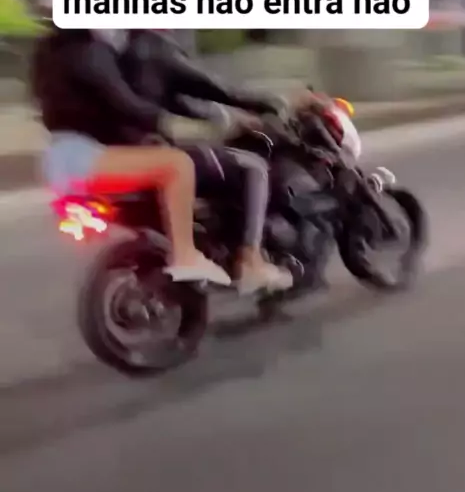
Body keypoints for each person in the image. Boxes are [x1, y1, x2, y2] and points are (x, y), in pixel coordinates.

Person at [120, 30, 319, 294]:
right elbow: (212, 86)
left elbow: (176, 101)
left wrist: (226, 119)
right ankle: (251, 261)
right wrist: (269, 102)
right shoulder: (155, 49)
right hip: (158, 152)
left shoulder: (128, 53)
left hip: (126, 155)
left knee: (220, 163)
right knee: (253, 167)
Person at [31, 25, 231, 287]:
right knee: (177, 164)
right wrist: (171, 123)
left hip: (59, 157)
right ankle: (185, 255)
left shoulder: (51, 53)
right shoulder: (91, 52)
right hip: (82, 157)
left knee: (157, 164)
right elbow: (125, 102)